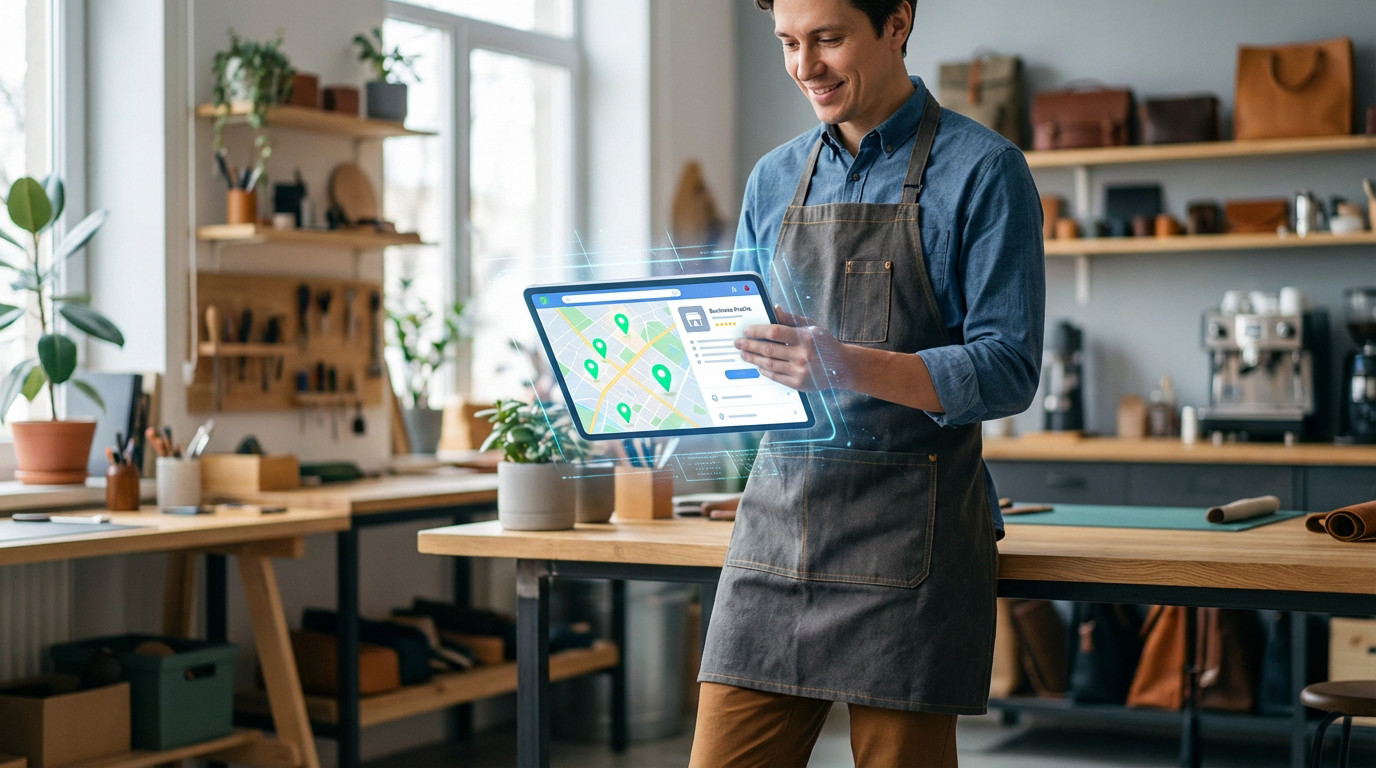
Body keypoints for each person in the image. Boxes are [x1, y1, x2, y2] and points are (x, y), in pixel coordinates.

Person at [690, 0, 1044, 765]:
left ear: (897, 23)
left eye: (827, 39)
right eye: (787, 43)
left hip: (908, 546)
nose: (804, 67)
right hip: (775, 534)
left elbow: (1008, 369)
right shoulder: (773, 178)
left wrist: (842, 362)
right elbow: (739, 347)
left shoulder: (984, 171)